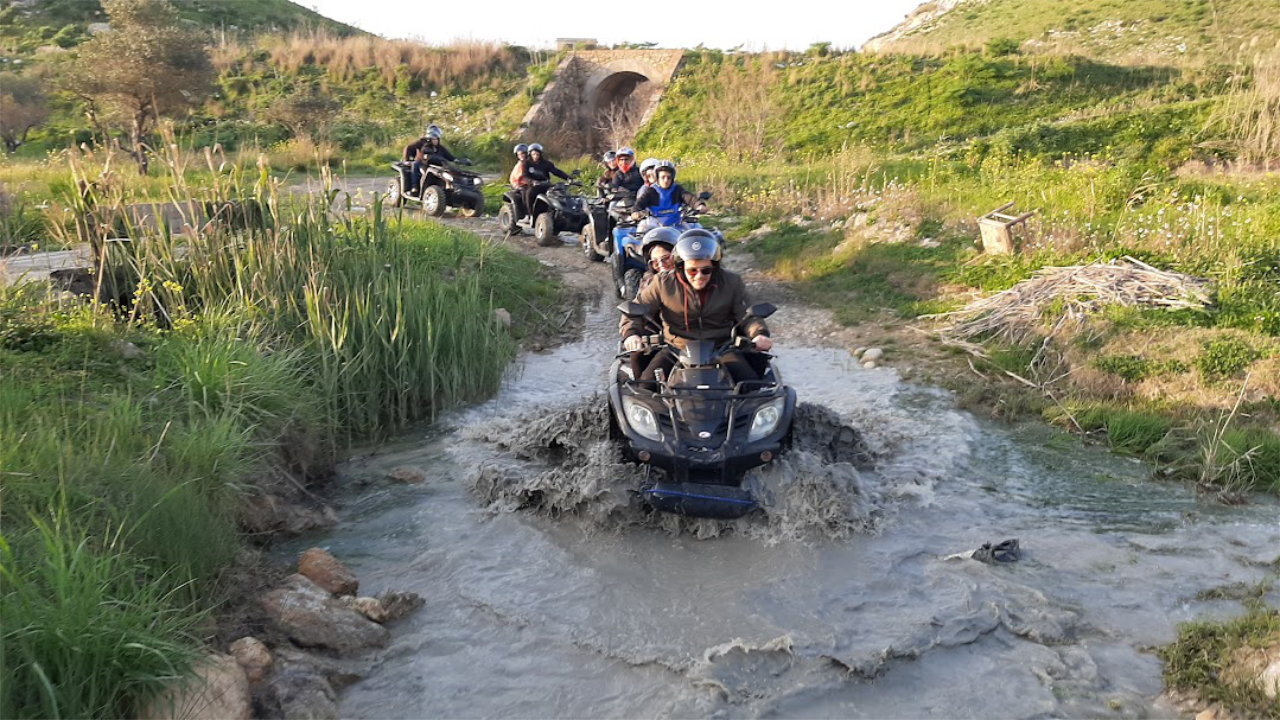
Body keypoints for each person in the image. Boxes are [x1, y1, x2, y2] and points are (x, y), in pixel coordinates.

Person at [622, 230, 773, 386]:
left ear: (714, 267)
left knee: (753, 387)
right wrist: (631, 334)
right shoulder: (662, 283)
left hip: (721, 348)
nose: (699, 276)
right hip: (675, 349)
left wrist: (759, 334)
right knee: (646, 388)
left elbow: (748, 315)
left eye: (705, 270)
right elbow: (635, 309)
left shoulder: (732, 282)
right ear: (681, 267)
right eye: (692, 270)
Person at [633, 160, 706, 228]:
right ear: (657, 178)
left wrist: (699, 205)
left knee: (697, 228)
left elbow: (690, 198)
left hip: (676, 223)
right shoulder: (651, 191)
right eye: (663, 177)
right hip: (654, 224)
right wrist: (636, 212)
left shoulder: (677, 189)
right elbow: (639, 203)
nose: (666, 180)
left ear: (672, 178)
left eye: (668, 177)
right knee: (640, 231)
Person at [518, 142, 570, 219]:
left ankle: (560, 214)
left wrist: (568, 178)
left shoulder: (546, 163)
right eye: (533, 154)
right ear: (530, 154)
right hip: (532, 185)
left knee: (560, 193)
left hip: (545, 184)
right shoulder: (526, 163)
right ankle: (530, 215)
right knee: (529, 194)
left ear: (540, 154)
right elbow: (524, 176)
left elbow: (556, 172)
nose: (535, 156)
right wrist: (532, 182)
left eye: (537, 154)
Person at [635, 226, 679, 298]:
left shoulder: (692, 275)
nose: (661, 264)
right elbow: (641, 304)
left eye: (666, 258)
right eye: (655, 261)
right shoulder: (649, 281)